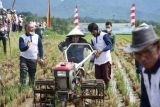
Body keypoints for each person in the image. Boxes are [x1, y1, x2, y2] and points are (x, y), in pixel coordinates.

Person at [124, 24, 160, 107]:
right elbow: (145, 101)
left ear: (158, 47)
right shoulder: (145, 71)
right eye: (138, 53)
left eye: (147, 51)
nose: (143, 58)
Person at [19, 22, 44, 91]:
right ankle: (23, 89)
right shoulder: (22, 37)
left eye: (32, 27)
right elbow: (21, 48)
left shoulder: (37, 37)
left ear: (34, 28)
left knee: (32, 74)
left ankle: (31, 87)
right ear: (26, 28)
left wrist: (41, 57)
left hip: (33, 58)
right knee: (23, 71)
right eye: (29, 27)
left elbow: (40, 47)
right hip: (24, 58)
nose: (31, 29)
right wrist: (27, 46)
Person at [88, 23, 112, 88]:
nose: (92, 33)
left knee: (106, 77)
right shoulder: (92, 38)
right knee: (98, 77)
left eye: (93, 31)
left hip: (105, 60)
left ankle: (107, 91)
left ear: (97, 29)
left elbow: (110, 45)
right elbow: (93, 48)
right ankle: (100, 91)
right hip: (97, 60)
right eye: (91, 32)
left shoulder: (104, 35)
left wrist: (101, 51)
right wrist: (95, 52)